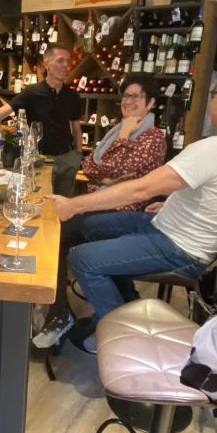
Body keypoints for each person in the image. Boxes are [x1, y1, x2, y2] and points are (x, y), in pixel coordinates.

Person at [49, 66, 217, 352]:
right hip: (171, 225)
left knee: (82, 258)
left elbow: (139, 189)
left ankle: (122, 335)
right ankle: (125, 305)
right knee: (91, 228)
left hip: (182, 246)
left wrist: (74, 204)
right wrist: (171, 203)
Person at [32, 73, 166, 348]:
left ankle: (60, 315)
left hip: (124, 212)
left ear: (151, 102)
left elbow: (118, 169)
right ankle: (122, 308)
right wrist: (110, 175)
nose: (128, 101)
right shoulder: (114, 131)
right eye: (125, 96)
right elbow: (89, 167)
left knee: (55, 233)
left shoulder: (154, 137)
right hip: (101, 203)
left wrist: (124, 137)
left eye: (136, 96)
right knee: (57, 227)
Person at [0, 43, 82, 197]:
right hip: (40, 161)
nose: (66, 65)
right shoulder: (32, 92)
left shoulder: (72, 96)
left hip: (67, 160)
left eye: (67, 61)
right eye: (60, 60)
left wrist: (77, 156)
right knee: (39, 200)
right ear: (46, 64)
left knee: (64, 204)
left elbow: (76, 129)